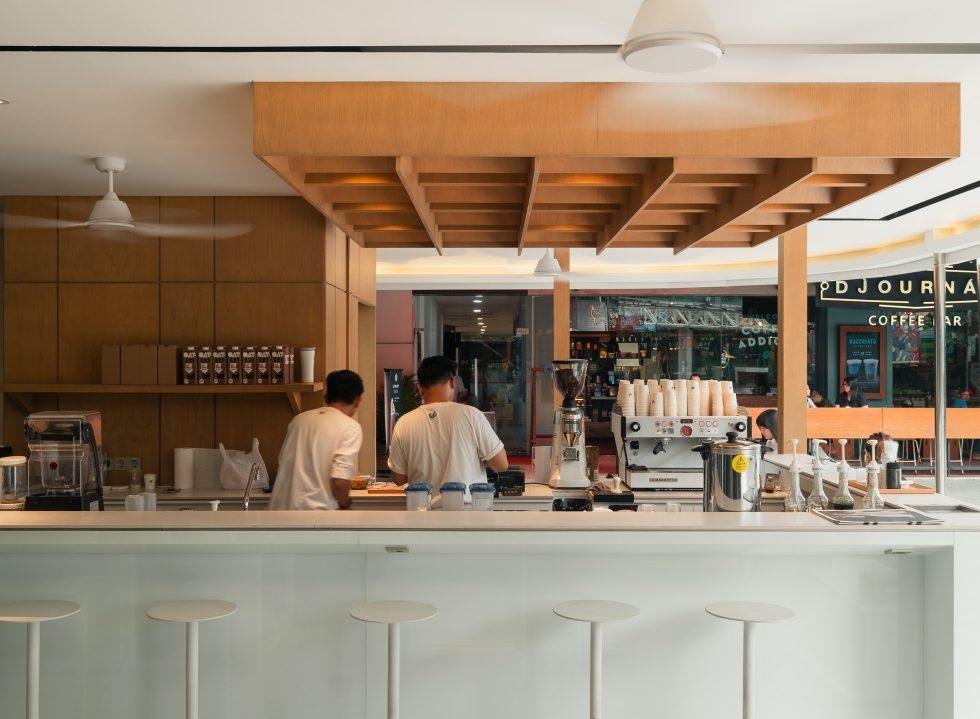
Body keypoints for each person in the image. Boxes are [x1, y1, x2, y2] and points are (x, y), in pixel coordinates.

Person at [388, 355, 508, 493]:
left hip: (422, 505)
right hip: (466, 506)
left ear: (419, 388)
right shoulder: (472, 415)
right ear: (453, 382)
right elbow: (501, 465)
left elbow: (398, 479)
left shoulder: (404, 423)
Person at [269, 370, 364, 510]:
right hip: (315, 515)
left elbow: (282, 464)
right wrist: (345, 503)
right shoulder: (350, 427)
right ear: (357, 400)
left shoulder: (298, 420)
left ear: (326, 396)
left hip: (280, 512)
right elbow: (339, 483)